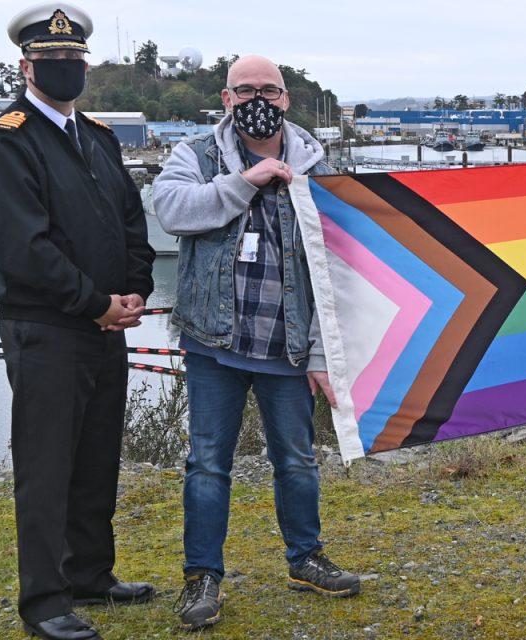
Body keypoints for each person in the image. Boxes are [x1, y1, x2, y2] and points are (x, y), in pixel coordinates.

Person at [0, 4, 156, 639]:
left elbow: (131, 221)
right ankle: (45, 601)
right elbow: (25, 248)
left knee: (98, 457)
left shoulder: (98, 138)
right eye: (51, 60)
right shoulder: (6, 141)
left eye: (73, 60)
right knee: (47, 468)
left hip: (106, 326)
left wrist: (133, 293)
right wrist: (94, 303)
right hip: (46, 328)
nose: (64, 68)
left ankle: (91, 576)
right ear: (27, 65)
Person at [153, 54, 360, 631]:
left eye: (268, 89)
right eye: (244, 90)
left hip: (287, 347)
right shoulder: (192, 156)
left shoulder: (319, 167)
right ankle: (202, 577)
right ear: (225, 98)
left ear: (287, 97)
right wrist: (245, 182)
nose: (257, 100)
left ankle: (305, 558)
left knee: (296, 459)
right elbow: (171, 210)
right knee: (207, 464)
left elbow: (336, 271)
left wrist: (321, 351)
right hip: (212, 343)